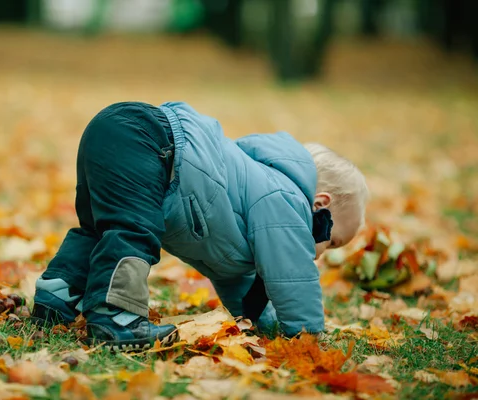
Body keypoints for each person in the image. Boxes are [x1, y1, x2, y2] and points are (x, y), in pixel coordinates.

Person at [31, 101, 369, 350]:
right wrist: (307, 338)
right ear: (320, 205)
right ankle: (116, 316)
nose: (323, 254)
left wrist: (261, 325)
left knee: (101, 229)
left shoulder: (249, 198)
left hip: (115, 132)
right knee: (132, 229)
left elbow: (236, 280)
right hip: (151, 140)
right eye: (334, 241)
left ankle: (57, 295)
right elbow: (293, 276)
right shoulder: (288, 199)